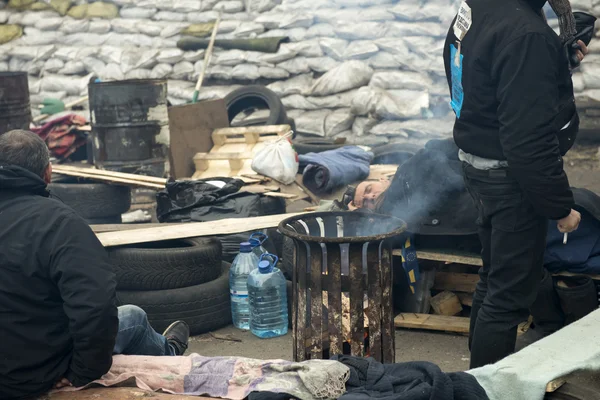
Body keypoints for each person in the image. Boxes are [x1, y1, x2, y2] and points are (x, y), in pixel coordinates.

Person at [443, 0, 586, 368]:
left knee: (494, 280)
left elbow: (480, 72)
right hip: (508, 180)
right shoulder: (527, 36)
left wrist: (555, 62)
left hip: (478, 166)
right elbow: (528, 143)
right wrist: (560, 206)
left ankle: (473, 382)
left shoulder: (479, 6)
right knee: (508, 299)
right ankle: (484, 388)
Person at [0, 130, 190, 400]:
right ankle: (169, 353)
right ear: (48, 173)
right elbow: (96, 308)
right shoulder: (59, 223)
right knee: (133, 318)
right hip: (36, 374)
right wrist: (81, 372)